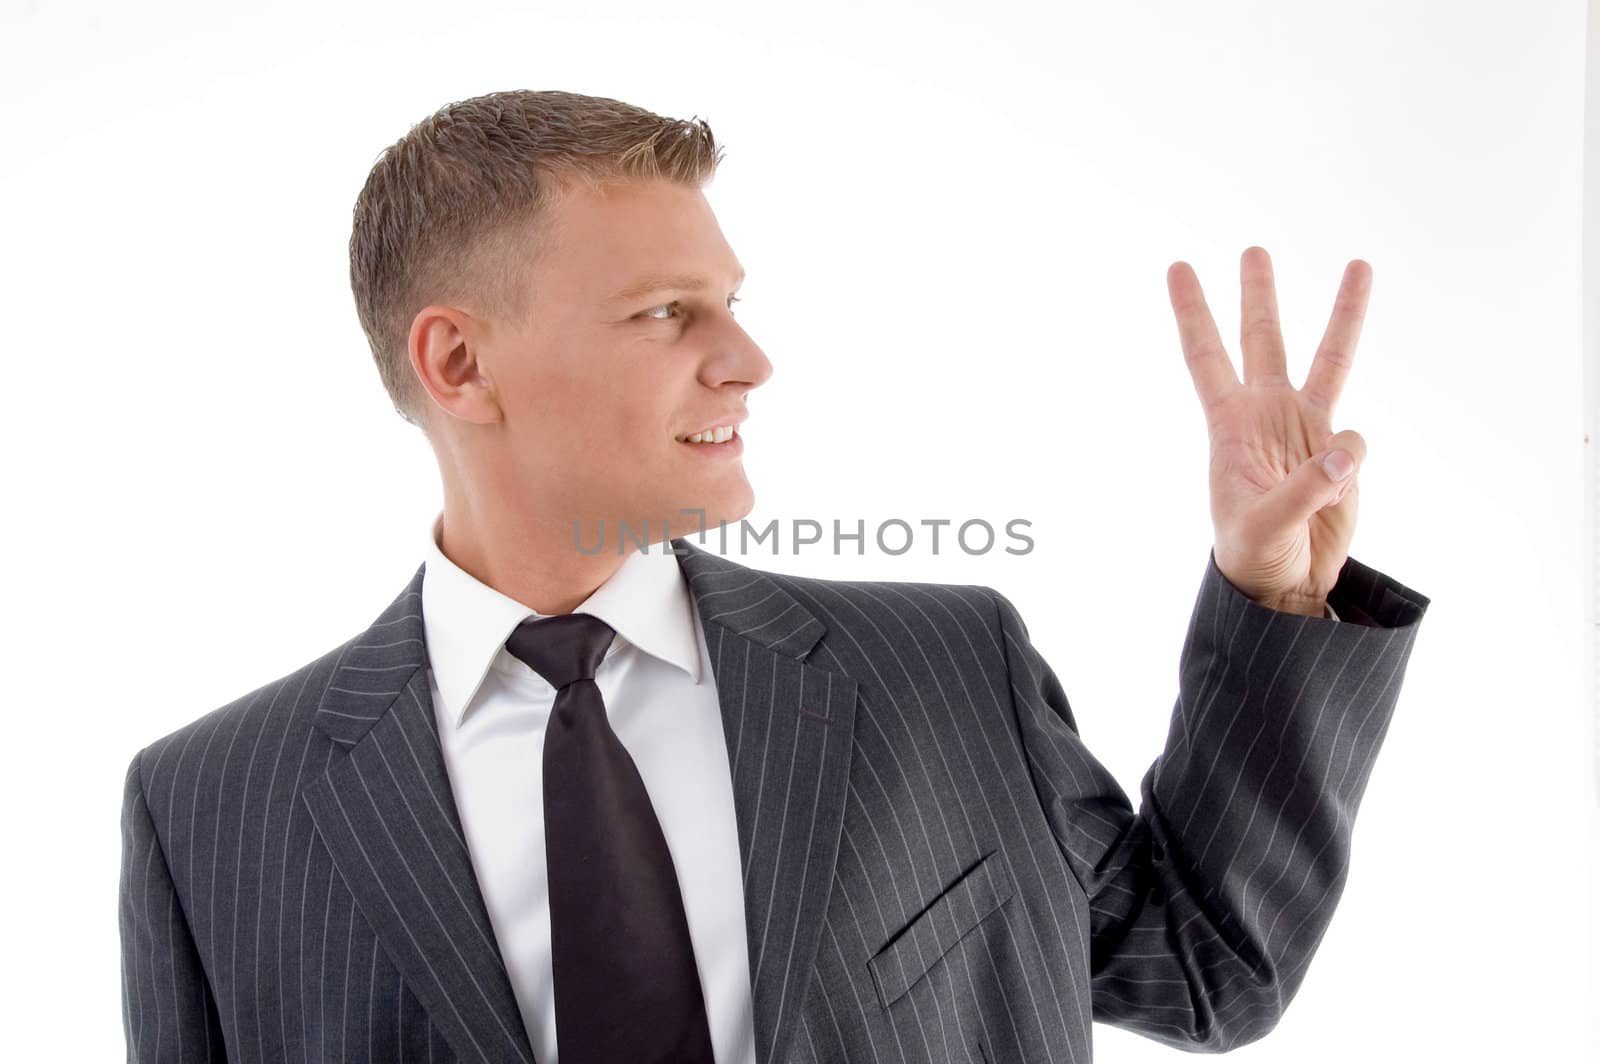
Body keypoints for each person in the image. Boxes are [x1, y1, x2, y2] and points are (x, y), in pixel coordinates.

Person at [118, 89, 1430, 1064]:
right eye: (666, 313)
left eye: (732, 300)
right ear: (459, 364)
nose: (747, 358)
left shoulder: (943, 671)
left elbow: (1207, 969)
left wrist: (1273, 596)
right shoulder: (213, 807)